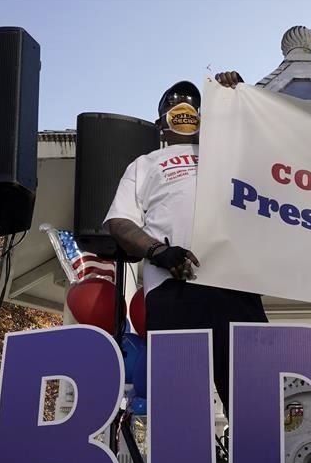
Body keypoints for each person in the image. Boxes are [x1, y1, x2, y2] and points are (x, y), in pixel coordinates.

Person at [104, 72, 267, 412]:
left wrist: (233, 100)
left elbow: (267, 150)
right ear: (161, 123)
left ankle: (258, 461)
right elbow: (120, 221)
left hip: (234, 284)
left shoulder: (227, 155)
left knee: (253, 398)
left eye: (192, 110)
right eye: (175, 110)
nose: (184, 116)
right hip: (172, 287)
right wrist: (158, 251)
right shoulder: (145, 164)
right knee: (180, 406)